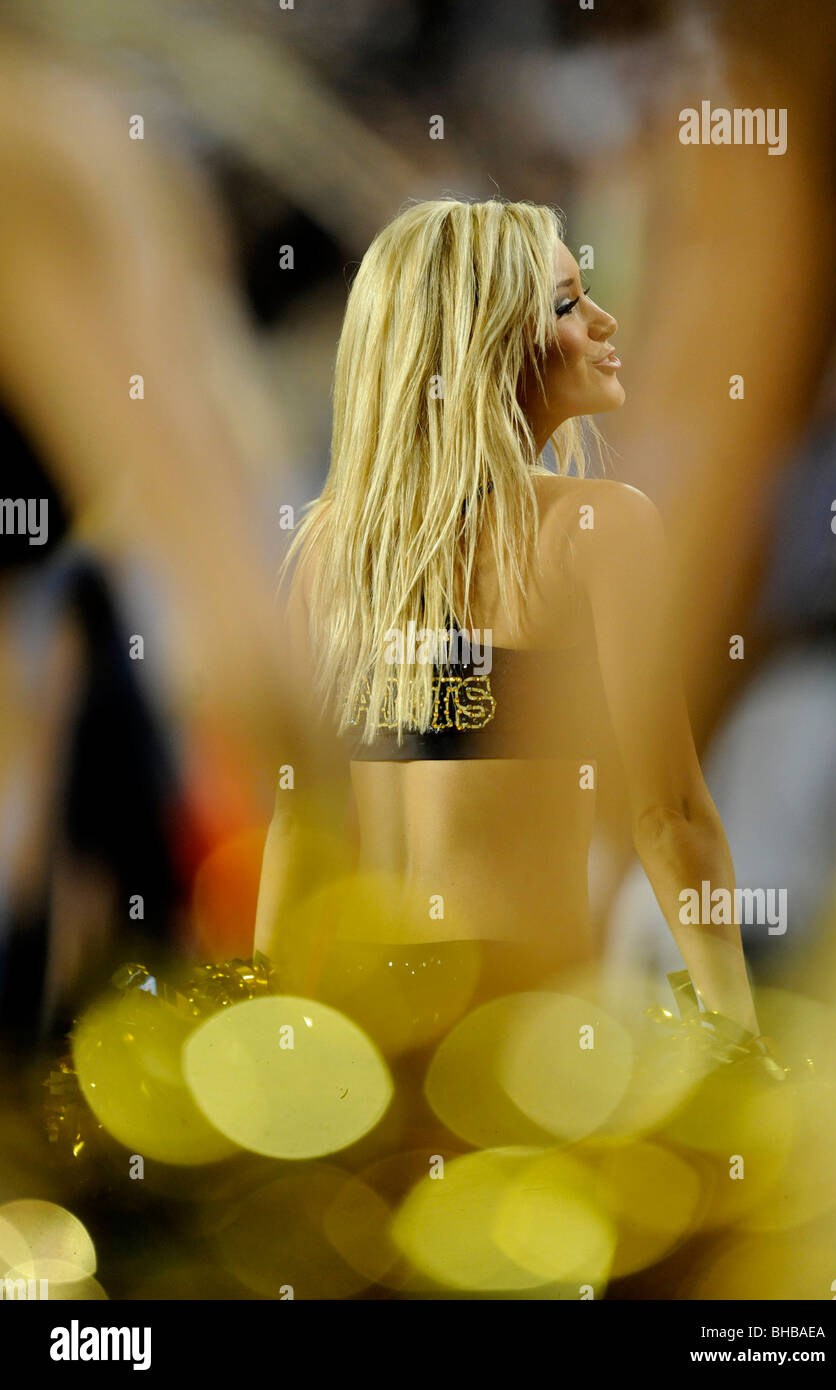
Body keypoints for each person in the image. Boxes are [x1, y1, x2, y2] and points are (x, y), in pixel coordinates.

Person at [254, 197, 762, 1044]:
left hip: (358, 1026)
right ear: (485, 345)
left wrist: (264, 1033)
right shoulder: (599, 528)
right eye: (565, 305)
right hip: (515, 1029)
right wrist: (740, 1035)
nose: (602, 321)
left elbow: (302, 834)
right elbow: (669, 818)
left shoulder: (330, 548)